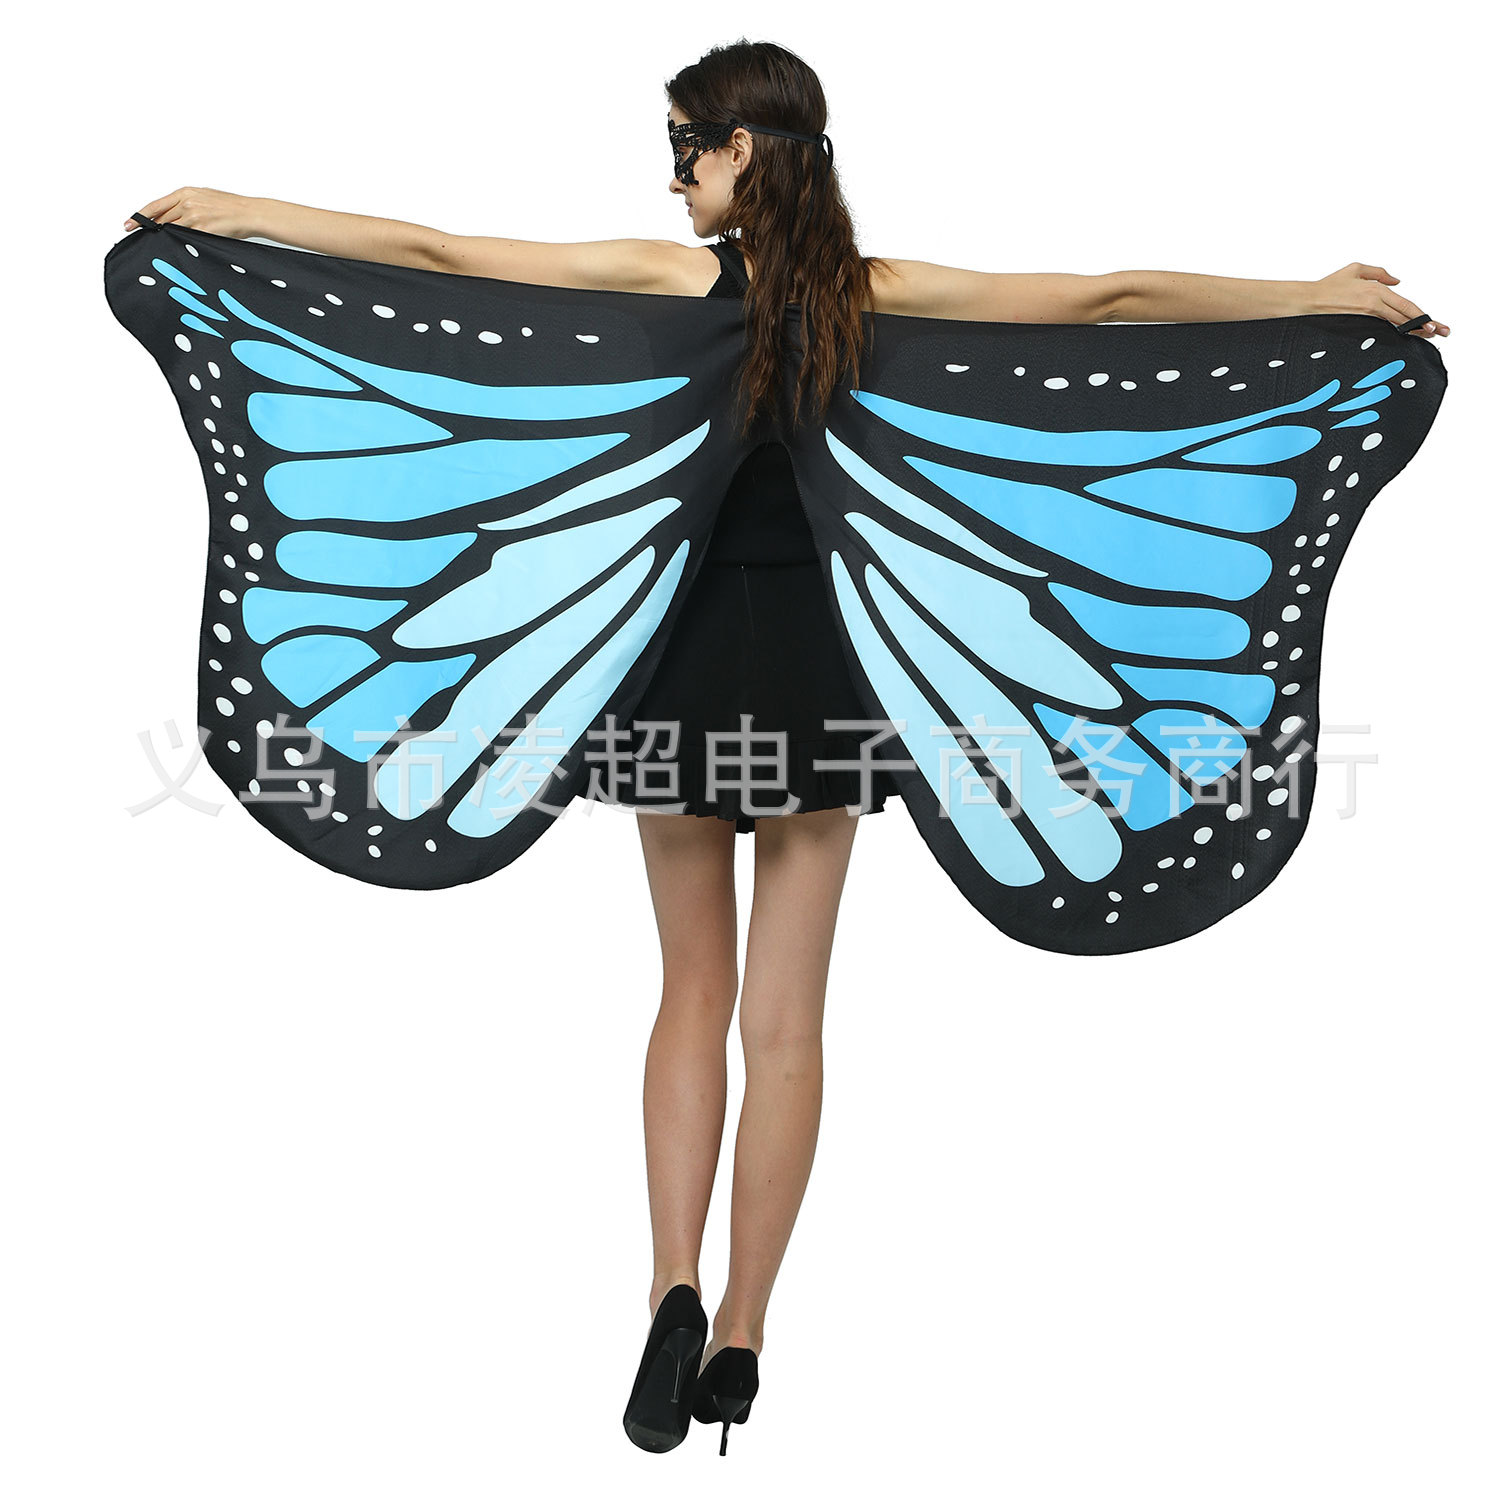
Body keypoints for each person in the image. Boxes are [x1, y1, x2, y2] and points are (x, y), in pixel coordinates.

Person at [122, 36, 1447, 1459]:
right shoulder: (876, 296)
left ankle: (671, 1287)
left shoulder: (671, 278)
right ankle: (745, 1332)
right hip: (823, 687)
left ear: (740, 149)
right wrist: (1317, 296)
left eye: (681, 147)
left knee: (689, 993)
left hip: (680, 676)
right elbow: (1108, 300)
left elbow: (437, 255)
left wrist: (232, 213)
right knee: (788, 1025)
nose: (673, 178)